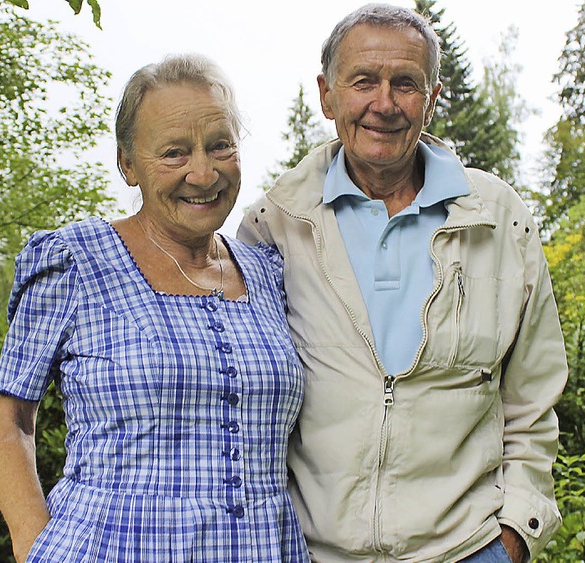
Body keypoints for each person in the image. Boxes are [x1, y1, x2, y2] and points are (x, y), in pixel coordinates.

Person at [238, 4, 567, 562]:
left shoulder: (498, 218)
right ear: (327, 94)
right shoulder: (275, 224)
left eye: (406, 84)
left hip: (468, 547)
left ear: (433, 97)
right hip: (310, 552)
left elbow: (533, 396)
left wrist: (513, 536)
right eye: (363, 81)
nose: (384, 104)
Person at [0, 54, 310, 562]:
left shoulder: (269, 273)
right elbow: (9, 419)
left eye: (220, 145)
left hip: (267, 548)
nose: (202, 173)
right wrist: (32, 542)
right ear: (128, 164)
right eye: (174, 153)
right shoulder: (76, 262)